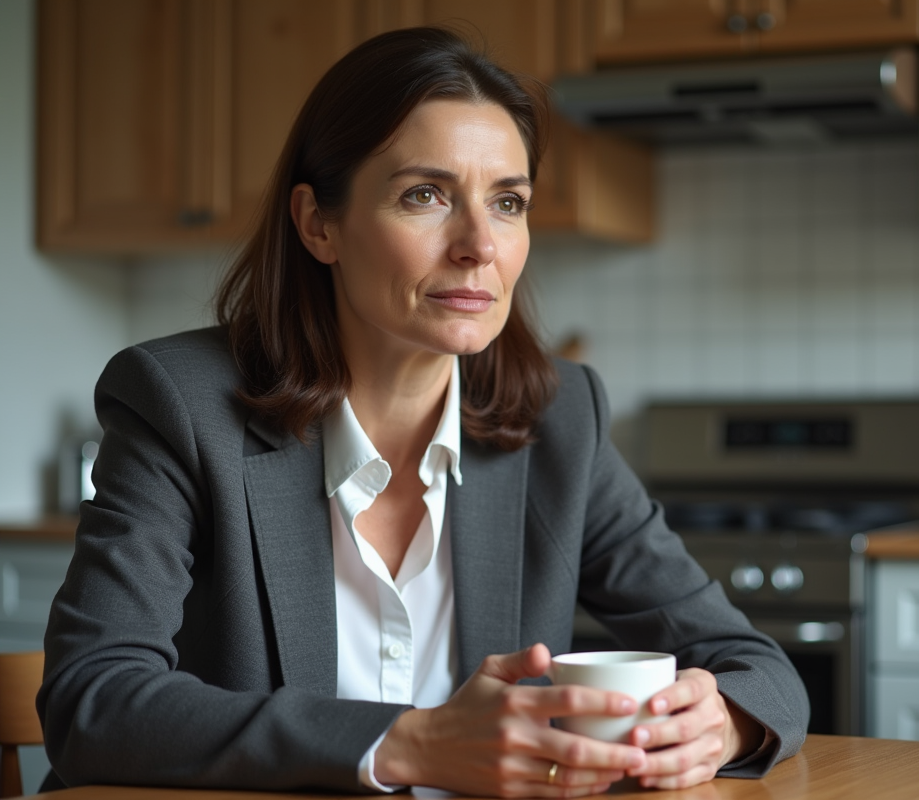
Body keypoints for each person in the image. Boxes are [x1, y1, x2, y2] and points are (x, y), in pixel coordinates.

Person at [37, 27, 809, 796]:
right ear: (318, 224)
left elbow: (757, 668)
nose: (479, 244)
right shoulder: (178, 402)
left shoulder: (562, 418)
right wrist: (406, 745)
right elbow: (92, 700)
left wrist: (723, 722)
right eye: (425, 195)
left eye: (508, 202)